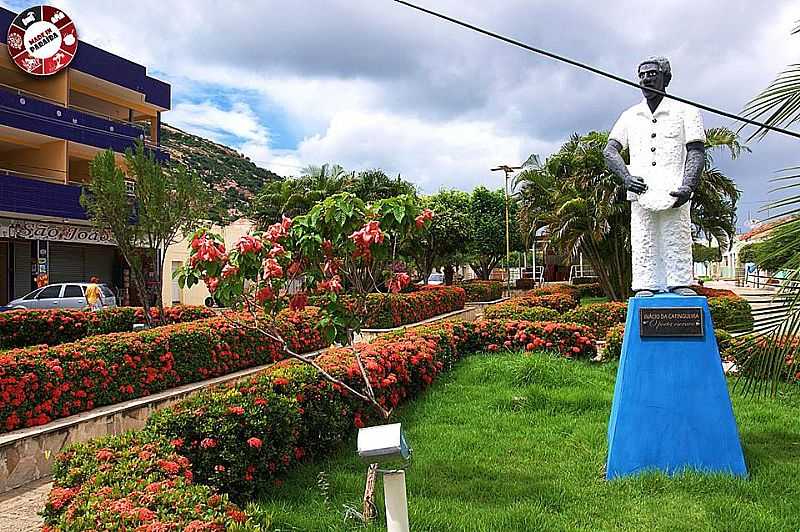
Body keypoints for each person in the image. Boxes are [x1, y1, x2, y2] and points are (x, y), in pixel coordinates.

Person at [603, 56, 706, 297]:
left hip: (675, 190)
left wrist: (688, 185)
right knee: (643, 240)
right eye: (642, 75)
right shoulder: (629, 115)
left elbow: (696, 151)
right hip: (641, 191)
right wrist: (626, 177)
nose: (646, 78)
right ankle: (644, 284)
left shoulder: (686, 111)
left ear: (665, 78)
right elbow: (609, 150)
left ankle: (680, 281)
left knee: (677, 237)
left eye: (652, 74)